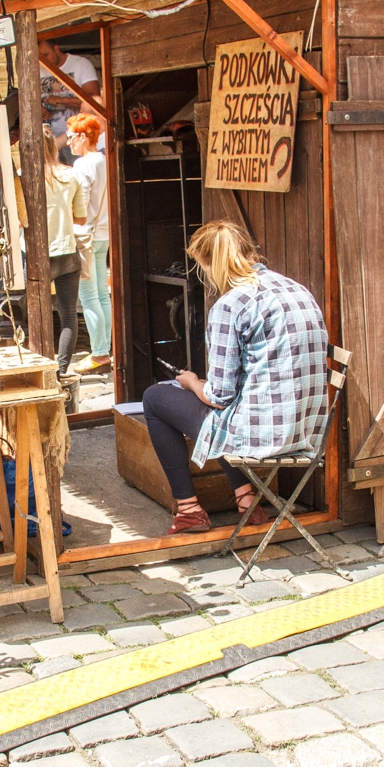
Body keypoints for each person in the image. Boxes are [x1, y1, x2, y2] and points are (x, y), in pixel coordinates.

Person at [140, 220, 329, 535]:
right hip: (309, 433)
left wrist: (191, 382)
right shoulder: (295, 288)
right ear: (248, 250)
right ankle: (246, 498)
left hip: (266, 437)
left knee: (156, 398)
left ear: (208, 265)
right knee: (226, 409)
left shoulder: (230, 305)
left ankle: (189, 510)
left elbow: (219, 396)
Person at [32, 124, 88, 376]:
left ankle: (39, 371)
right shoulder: (71, 174)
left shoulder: (25, 175)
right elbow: (81, 218)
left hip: (37, 255)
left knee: (36, 317)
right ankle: (61, 370)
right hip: (66, 252)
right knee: (68, 317)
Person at [67, 114, 111, 374]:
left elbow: (80, 204)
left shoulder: (83, 164)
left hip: (85, 234)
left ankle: (99, 353)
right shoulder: (104, 161)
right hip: (103, 234)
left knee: (88, 296)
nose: (70, 142)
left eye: (72, 137)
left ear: (83, 136)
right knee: (102, 295)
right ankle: (103, 349)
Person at [38, 39, 101, 164]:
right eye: (40, 58)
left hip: (78, 140)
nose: (44, 61)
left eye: (46, 55)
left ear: (56, 49)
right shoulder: (37, 70)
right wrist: (38, 109)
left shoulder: (80, 64)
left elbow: (94, 102)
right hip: (49, 143)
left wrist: (62, 100)